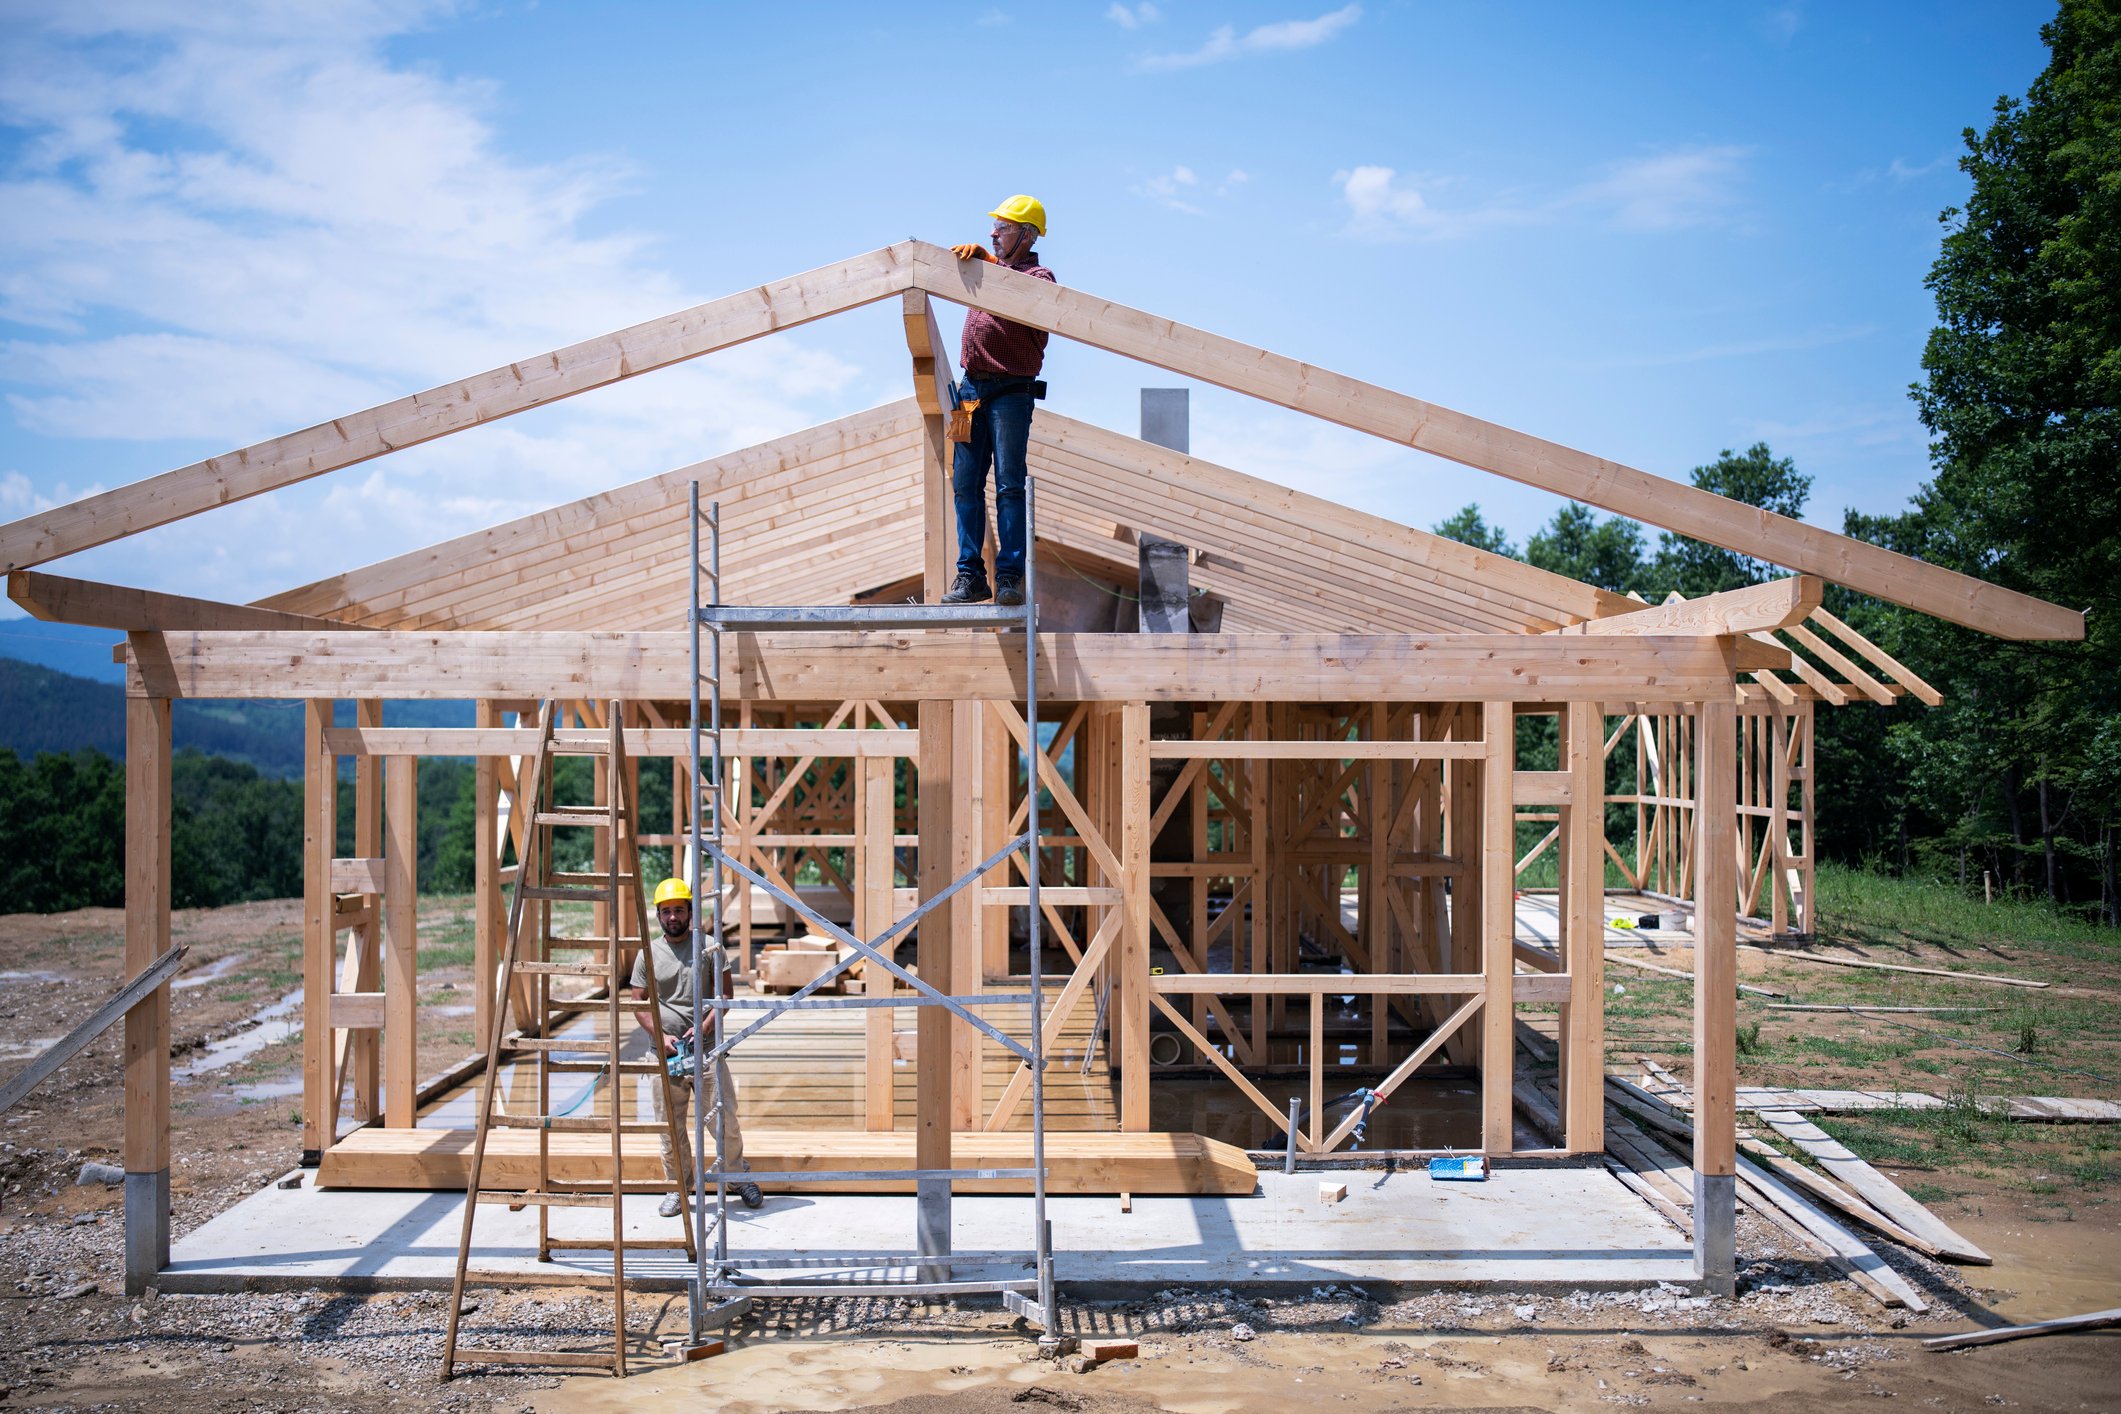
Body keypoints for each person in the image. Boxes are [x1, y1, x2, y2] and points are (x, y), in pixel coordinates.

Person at [943, 194, 1056, 608]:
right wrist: (981, 266)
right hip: (969, 392)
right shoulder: (989, 270)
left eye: (1003, 227)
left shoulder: (1040, 276)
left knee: (1009, 485)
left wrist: (990, 267)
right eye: (994, 226)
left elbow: (1030, 297)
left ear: (1026, 236)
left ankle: (1009, 577)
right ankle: (970, 576)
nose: (992, 233)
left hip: (1011, 393)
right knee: (963, 483)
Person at [629, 876, 762, 1214]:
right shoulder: (649, 953)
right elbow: (638, 1001)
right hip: (666, 1055)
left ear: (690, 912)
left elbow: (725, 995)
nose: (673, 917)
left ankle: (736, 1177)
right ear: (658, 915)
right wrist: (661, 1037)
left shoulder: (709, 946)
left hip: (708, 1051)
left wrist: (703, 1028)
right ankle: (679, 1187)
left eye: (679, 910)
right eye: (666, 911)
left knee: (723, 1119)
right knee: (669, 1125)